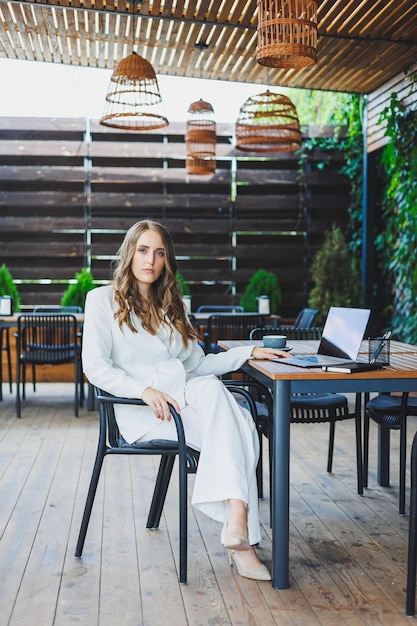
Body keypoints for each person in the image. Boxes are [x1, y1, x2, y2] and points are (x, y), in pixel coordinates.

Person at [82, 219, 290, 581]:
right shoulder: (101, 300)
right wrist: (143, 391)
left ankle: (237, 526)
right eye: (143, 250)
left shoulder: (171, 306)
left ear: (166, 260)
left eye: (159, 252)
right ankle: (242, 540)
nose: (150, 260)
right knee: (242, 426)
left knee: (214, 392)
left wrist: (249, 351)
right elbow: (95, 367)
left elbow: (199, 366)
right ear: (130, 253)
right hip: (144, 411)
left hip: (184, 400)